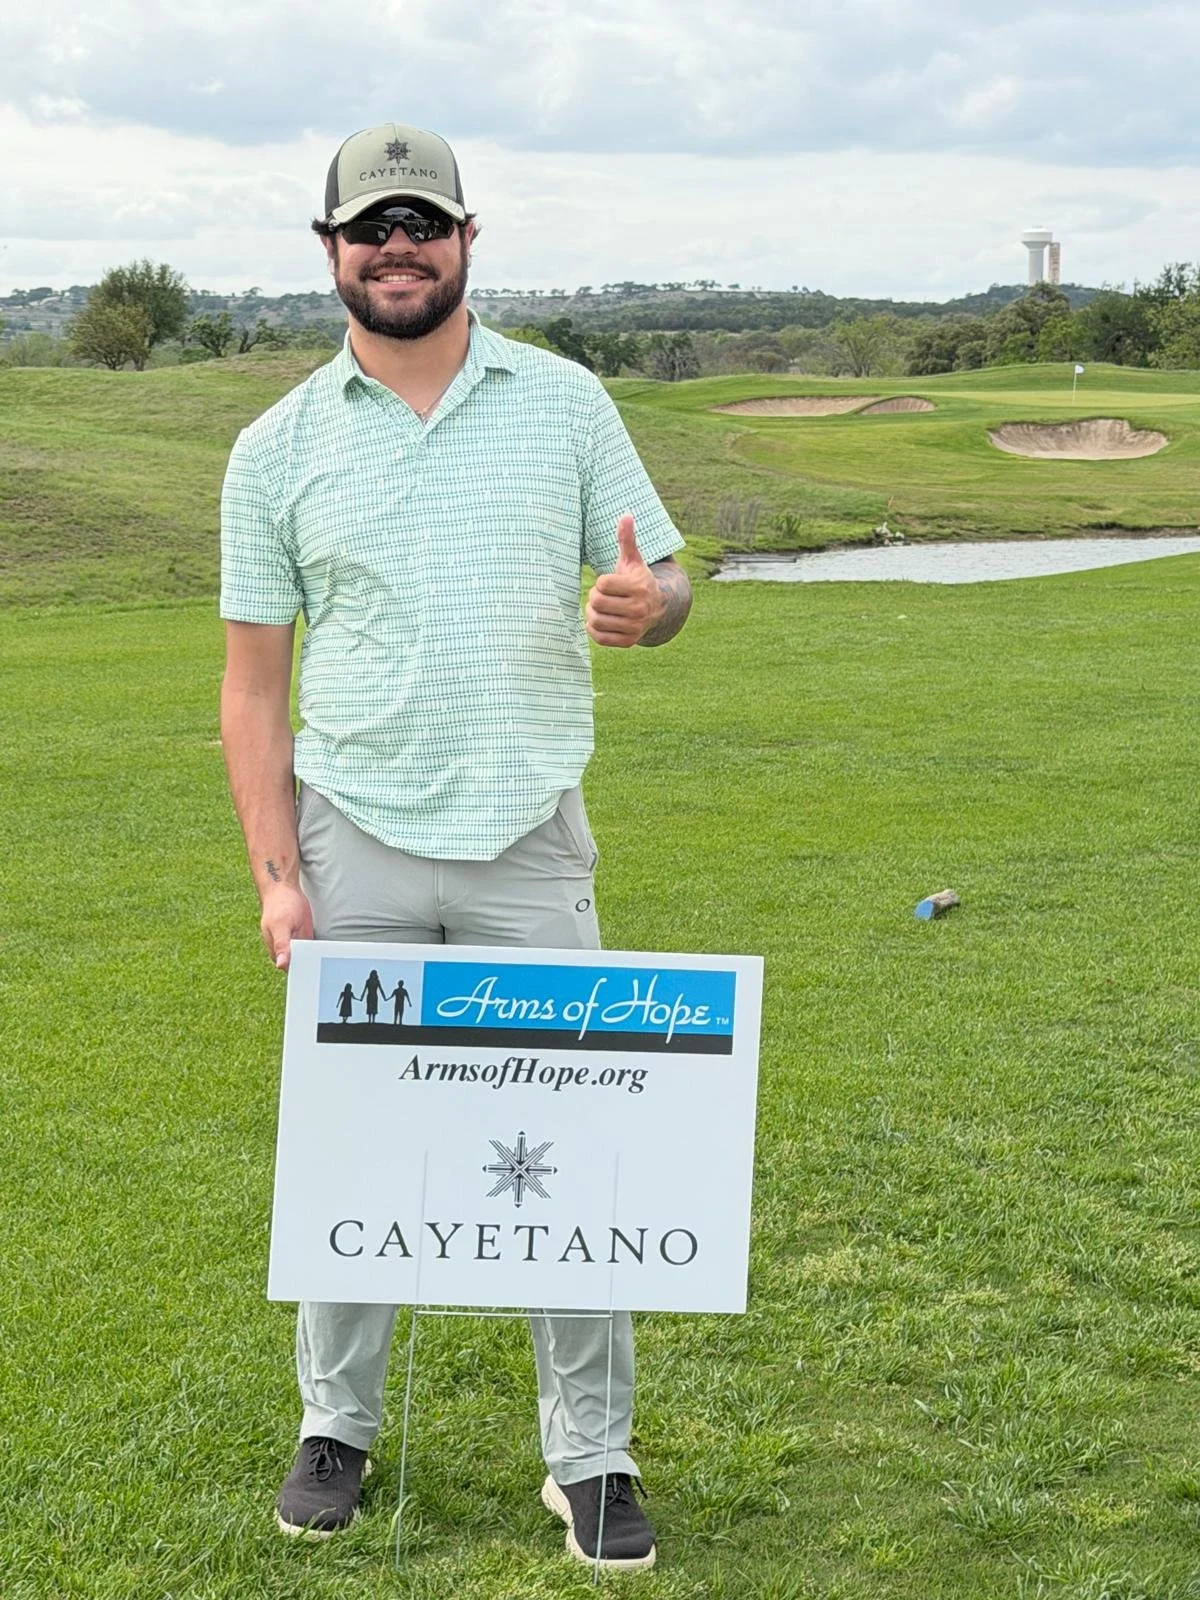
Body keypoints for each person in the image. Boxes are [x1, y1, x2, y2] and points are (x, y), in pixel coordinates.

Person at [219, 120, 692, 1570]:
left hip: (528, 841)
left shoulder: (564, 401)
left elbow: (664, 579)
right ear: (331, 252)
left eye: (423, 221)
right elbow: (253, 687)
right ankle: (336, 1427)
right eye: (372, 226)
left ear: (468, 239)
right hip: (352, 838)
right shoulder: (276, 447)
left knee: (573, 1141)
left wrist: (651, 606)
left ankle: (591, 1455)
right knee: (355, 1146)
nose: (398, 246)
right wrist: (277, 877)